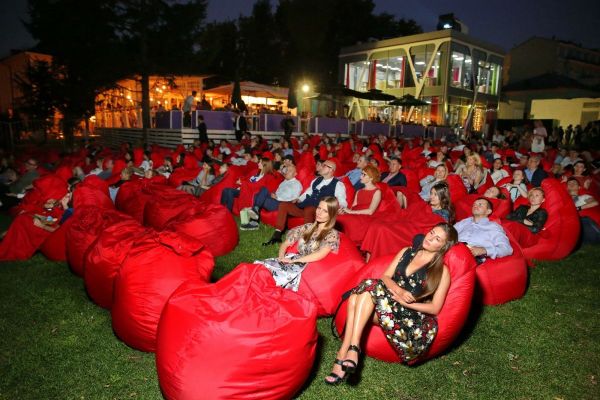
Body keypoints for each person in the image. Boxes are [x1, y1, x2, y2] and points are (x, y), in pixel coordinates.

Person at [325, 223, 458, 384]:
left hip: (410, 321)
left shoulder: (441, 272)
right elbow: (385, 277)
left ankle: (345, 353)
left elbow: (435, 308)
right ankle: (351, 349)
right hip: (388, 304)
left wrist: (407, 303)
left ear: (443, 246)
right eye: (431, 232)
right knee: (359, 296)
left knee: (361, 293)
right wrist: (400, 291)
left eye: (437, 239)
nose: (430, 238)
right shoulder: (406, 252)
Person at [255, 197, 340, 291]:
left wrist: (294, 261)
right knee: (259, 268)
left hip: (303, 267)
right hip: (291, 259)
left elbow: (320, 254)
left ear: (331, 215)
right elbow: (286, 243)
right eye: (319, 208)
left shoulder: (332, 234)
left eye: (325, 211)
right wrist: (281, 257)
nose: (319, 213)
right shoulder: (307, 227)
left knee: (267, 281)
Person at [263, 159, 347, 246]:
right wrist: (298, 199)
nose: (321, 167)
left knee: (309, 208)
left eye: (324, 165)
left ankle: (306, 239)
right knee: (284, 205)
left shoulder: (338, 184)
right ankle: (277, 235)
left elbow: (342, 199)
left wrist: (342, 207)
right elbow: (308, 192)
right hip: (305, 208)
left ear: (331, 170)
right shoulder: (316, 180)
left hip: (318, 211)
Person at [240, 164, 303, 230]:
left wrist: (278, 198)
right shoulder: (283, 182)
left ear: (295, 174)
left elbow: (293, 199)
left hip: (282, 204)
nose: (287, 171)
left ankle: (254, 220)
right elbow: (278, 193)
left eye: (290, 170)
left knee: (262, 198)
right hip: (275, 200)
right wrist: (274, 194)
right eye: (286, 170)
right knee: (262, 191)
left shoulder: (297, 184)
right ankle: (255, 212)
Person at [454, 198, 513, 263]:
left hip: (471, 258)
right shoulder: (465, 221)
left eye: (480, 204)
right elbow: (450, 232)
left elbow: (506, 249)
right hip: (454, 249)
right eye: (474, 204)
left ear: (488, 211)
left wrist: (484, 250)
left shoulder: (494, 227)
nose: (475, 206)